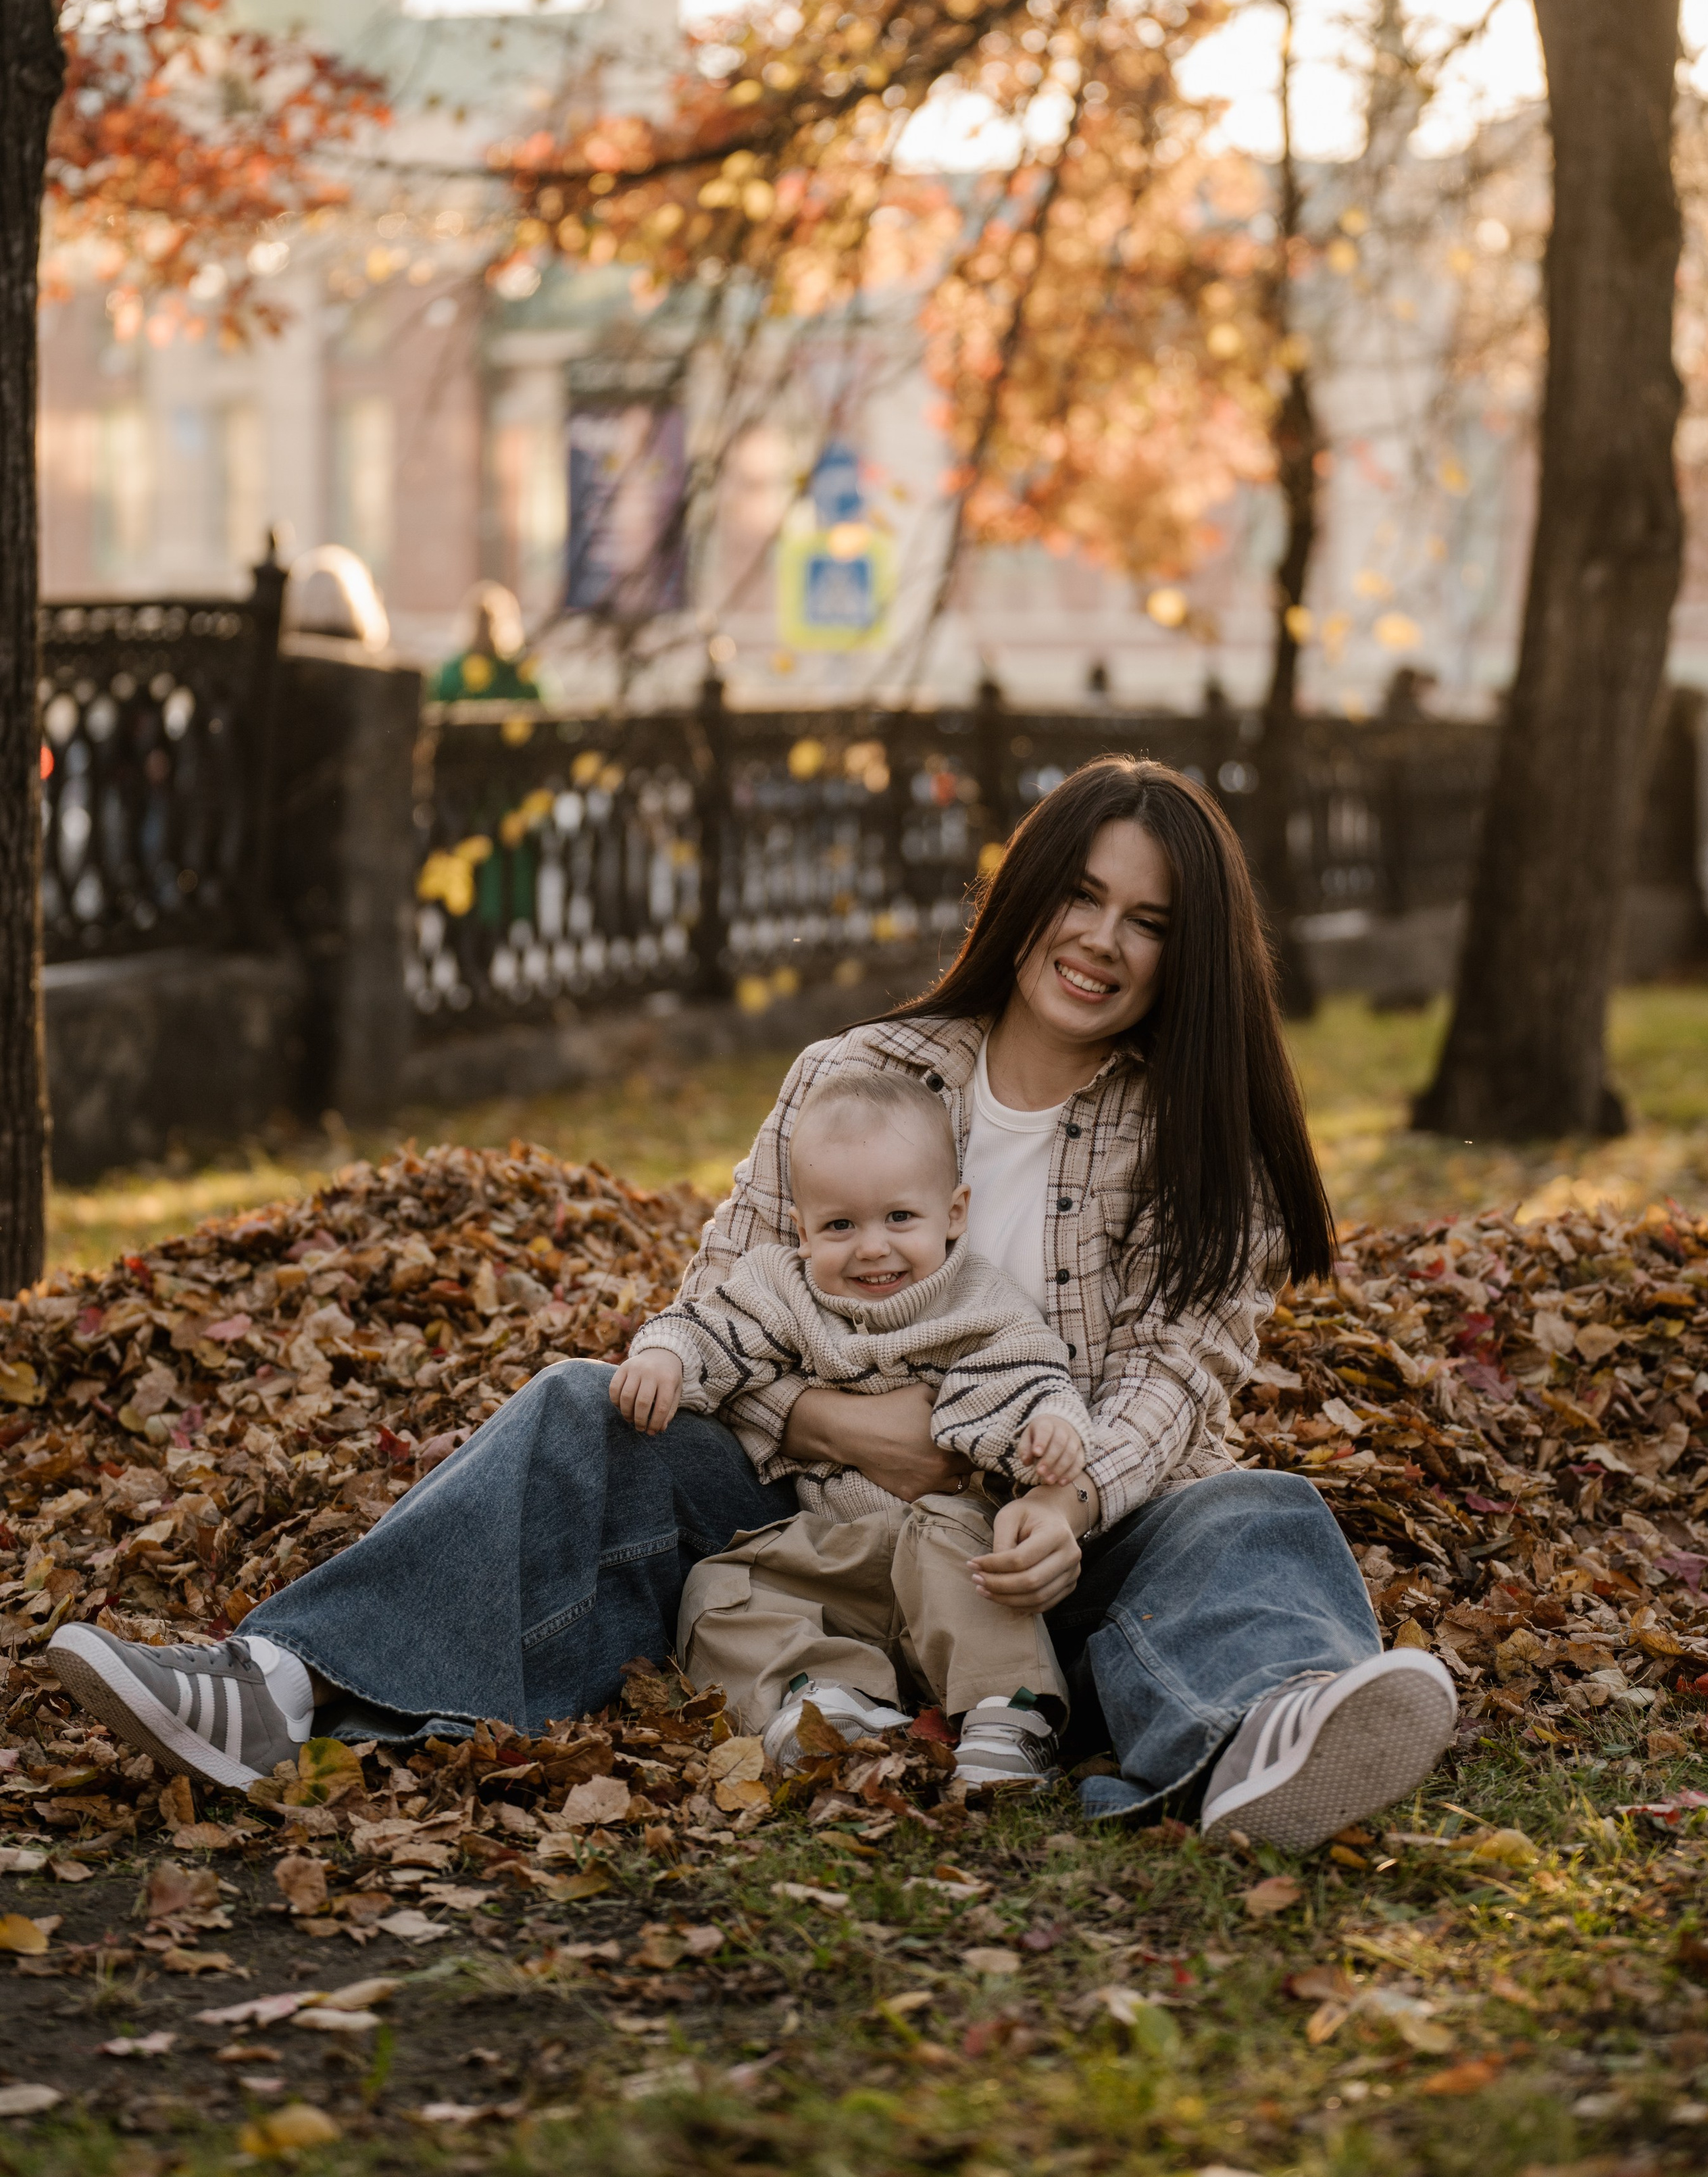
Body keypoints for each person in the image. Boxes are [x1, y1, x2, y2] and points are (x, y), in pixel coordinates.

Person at [49, 755, 1457, 1851]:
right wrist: (850, 1430)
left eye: (1145, 921)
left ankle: (1256, 1737)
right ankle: (280, 1683)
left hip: (1045, 1572)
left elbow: (1177, 1380)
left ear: (1188, 951)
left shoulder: (1209, 1142)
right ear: (1024, 894)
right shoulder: (860, 1071)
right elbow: (723, 1292)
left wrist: (1064, 1499)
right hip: (809, 1536)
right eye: (1079, 896)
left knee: (1252, 1504)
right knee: (583, 1403)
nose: (1098, 939)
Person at [616, 1066, 1092, 1788]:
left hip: (949, 1554)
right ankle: (827, 1699)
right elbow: (714, 1327)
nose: (872, 1247)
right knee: (720, 1588)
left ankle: (1007, 1712)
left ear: (954, 1213)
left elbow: (1030, 1376)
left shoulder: (982, 1304)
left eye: (900, 1218)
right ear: (802, 1231)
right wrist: (664, 1354)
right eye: (840, 1225)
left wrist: (1051, 1425)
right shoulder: (784, 1289)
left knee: (968, 1552)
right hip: (839, 1554)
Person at [425, 582, 542, 703]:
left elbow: (551, 712)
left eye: (494, 622)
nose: (488, 631)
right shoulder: (453, 674)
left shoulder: (521, 673)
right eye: (482, 621)